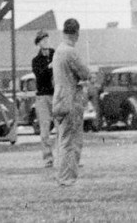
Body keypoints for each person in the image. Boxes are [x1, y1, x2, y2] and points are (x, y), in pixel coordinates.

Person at [50, 17, 92, 186]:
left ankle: (62, 175)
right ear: (77, 33)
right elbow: (85, 73)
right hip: (71, 101)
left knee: (62, 140)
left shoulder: (58, 50)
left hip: (59, 100)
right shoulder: (70, 51)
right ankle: (67, 178)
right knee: (72, 142)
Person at [31, 30, 56, 168]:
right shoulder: (36, 61)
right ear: (39, 43)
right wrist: (49, 67)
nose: (46, 42)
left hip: (57, 95)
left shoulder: (56, 54)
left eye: (47, 39)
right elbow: (40, 76)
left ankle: (67, 157)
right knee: (45, 130)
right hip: (43, 97)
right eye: (43, 40)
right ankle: (48, 159)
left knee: (63, 128)